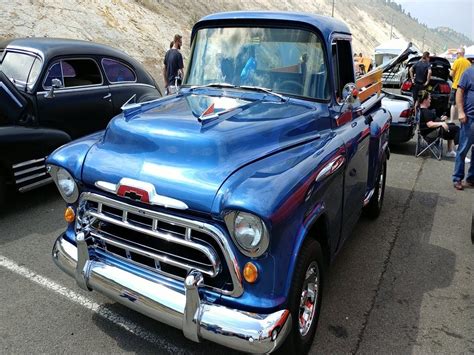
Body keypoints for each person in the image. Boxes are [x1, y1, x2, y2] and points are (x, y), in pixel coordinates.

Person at [452, 62, 474, 190]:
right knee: (463, 149)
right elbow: (459, 92)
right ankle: (457, 178)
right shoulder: (468, 73)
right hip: (469, 119)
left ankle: (471, 179)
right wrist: (460, 111)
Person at [418, 91, 459, 157]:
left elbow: (430, 121)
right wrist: (441, 123)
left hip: (431, 131)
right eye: (429, 99)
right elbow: (429, 124)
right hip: (430, 134)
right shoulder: (425, 111)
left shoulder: (422, 110)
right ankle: (460, 153)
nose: (430, 101)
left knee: (452, 124)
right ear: (425, 100)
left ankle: (450, 151)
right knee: (456, 129)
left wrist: (440, 119)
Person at [449, 47, 471, 122]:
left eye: (457, 54)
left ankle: (451, 120)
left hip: (456, 85)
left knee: (453, 104)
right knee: (463, 103)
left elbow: (451, 74)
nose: (456, 55)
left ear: (460, 53)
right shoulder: (468, 63)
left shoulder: (457, 61)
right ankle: (463, 119)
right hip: (466, 86)